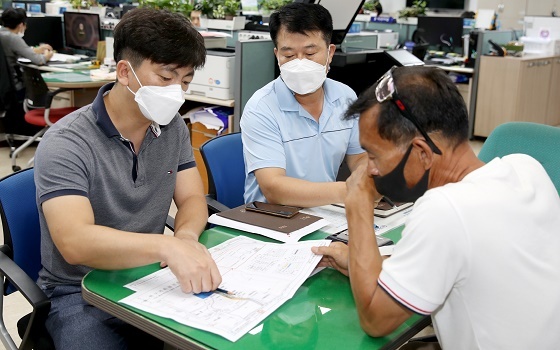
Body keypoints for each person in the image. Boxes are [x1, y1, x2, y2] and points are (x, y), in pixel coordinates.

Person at [313, 66, 560, 349]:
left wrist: (357, 205)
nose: (369, 169)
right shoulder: (526, 167)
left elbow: (375, 320)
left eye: (374, 155)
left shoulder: (444, 209)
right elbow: (465, 261)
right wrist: (364, 264)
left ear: (422, 152)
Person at [34, 8, 222, 349]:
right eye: (166, 78)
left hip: (148, 275)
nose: (177, 92)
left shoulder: (173, 128)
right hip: (79, 292)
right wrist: (167, 246)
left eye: (186, 81)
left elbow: (193, 199)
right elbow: (75, 243)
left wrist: (188, 237)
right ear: (125, 71)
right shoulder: (67, 142)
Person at [241, 3, 366, 207]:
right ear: (277, 56)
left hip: (327, 211)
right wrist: (352, 190)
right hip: (271, 219)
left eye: (310, 54)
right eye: (288, 55)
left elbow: (360, 158)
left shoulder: (345, 97)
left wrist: (368, 179)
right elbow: (274, 188)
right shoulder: (261, 107)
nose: (299, 63)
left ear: (330, 53)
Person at [0, 8, 53, 91]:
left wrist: (34, 50)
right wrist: (48, 55)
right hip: (14, 87)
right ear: (21, 25)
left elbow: (12, 51)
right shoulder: (13, 38)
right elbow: (39, 60)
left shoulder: (2, 34)